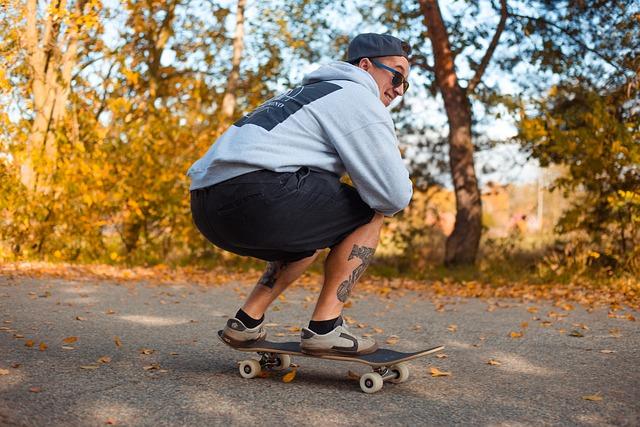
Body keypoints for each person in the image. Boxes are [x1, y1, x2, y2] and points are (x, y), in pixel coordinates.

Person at [188, 33, 413, 356]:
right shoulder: (357, 95)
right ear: (365, 66)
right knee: (371, 211)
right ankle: (325, 328)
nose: (399, 89)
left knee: (311, 230)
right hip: (259, 197)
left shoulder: (306, 93)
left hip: (206, 205)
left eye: (406, 84)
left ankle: (246, 321)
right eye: (396, 75)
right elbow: (393, 195)